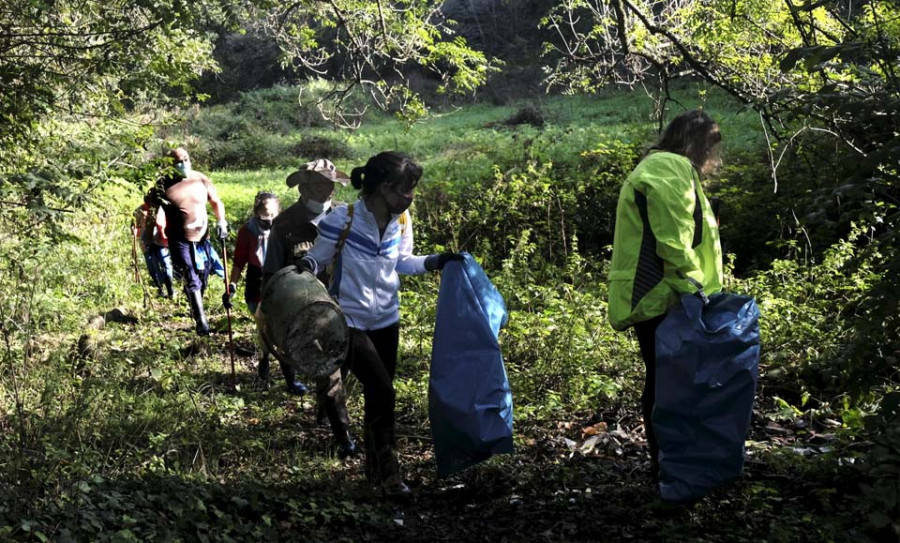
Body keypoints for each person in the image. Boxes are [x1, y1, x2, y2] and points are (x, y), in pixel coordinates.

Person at [296, 151, 462, 498]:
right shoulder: (343, 219)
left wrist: (437, 261)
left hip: (387, 318)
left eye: (412, 190)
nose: (409, 197)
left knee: (379, 393)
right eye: (405, 190)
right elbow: (320, 257)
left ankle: (375, 467)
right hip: (349, 321)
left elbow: (402, 261)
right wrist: (302, 268)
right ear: (385, 188)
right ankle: (389, 473)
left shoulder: (402, 221)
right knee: (384, 391)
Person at [607, 110, 724, 479]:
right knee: (667, 385)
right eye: (711, 147)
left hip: (666, 296)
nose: (714, 157)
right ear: (697, 144)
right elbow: (672, 240)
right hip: (665, 298)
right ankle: (670, 470)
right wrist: (696, 291)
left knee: (666, 381)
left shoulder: (665, 167)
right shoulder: (669, 168)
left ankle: (674, 467)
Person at [262, 160, 348, 430]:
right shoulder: (285, 224)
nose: (326, 189)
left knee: (345, 364)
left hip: (351, 303)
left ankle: (326, 412)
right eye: (319, 184)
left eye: (330, 183)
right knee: (329, 366)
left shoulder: (347, 216)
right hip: (310, 310)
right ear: (304, 187)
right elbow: (274, 274)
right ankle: (341, 432)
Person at [225, 191, 309, 394]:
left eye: (273, 215)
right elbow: (239, 261)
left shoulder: (286, 229)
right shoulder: (248, 232)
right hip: (257, 283)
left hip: (282, 280)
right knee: (265, 328)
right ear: (256, 213)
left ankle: (290, 380)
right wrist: (232, 287)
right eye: (265, 215)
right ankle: (264, 356)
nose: (269, 220)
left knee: (283, 331)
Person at [149, 147, 228, 336]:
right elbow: (152, 206)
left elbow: (216, 202)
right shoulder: (162, 184)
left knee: (203, 275)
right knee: (190, 274)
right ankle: (202, 323)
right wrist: (154, 229)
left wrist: (221, 222)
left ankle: (195, 305)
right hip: (178, 240)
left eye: (185, 159)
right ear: (170, 165)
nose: (182, 164)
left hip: (202, 238)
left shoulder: (200, 178)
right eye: (177, 161)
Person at [132, 196, 174, 298]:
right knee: (152, 266)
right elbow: (137, 225)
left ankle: (170, 289)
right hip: (147, 242)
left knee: (165, 263)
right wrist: (135, 231)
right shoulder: (141, 210)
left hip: (160, 241)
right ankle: (160, 288)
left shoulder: (163, 208)